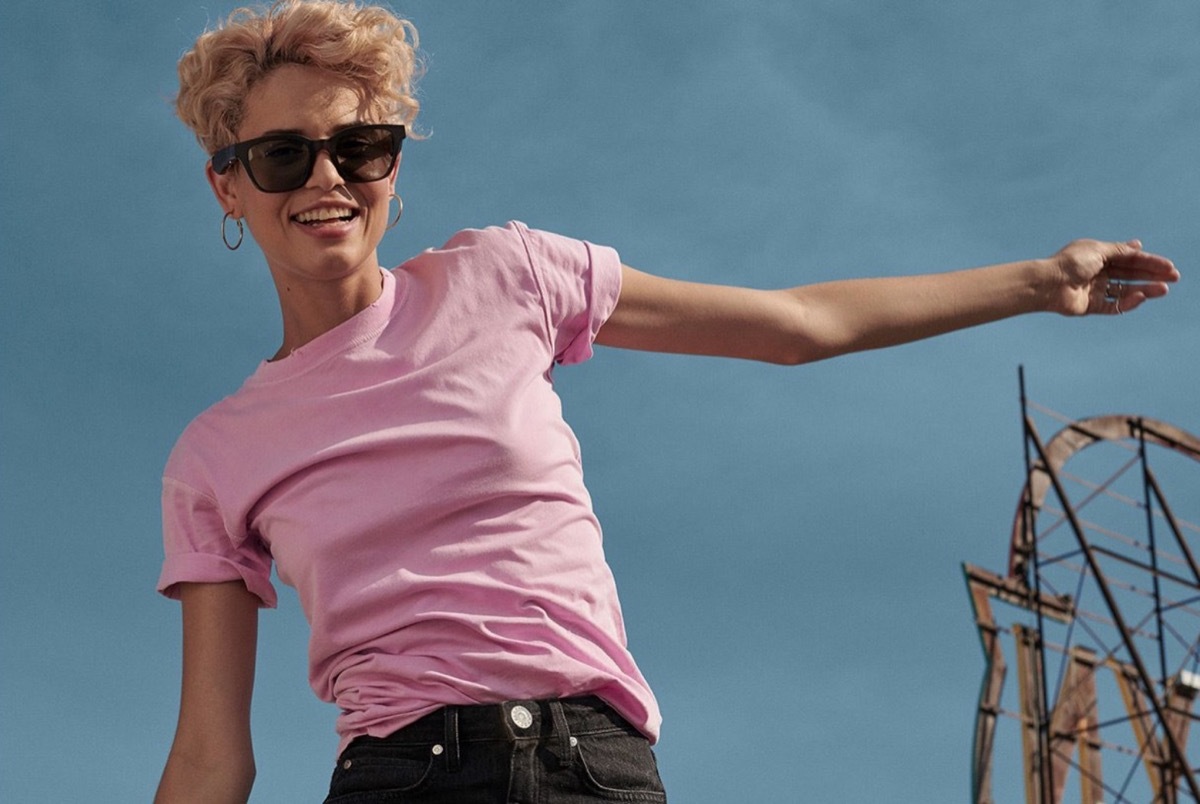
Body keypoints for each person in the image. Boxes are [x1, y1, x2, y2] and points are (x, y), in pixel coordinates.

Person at [153, 1, 1179, 802]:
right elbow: (210, 755)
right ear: (227, 186)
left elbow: (795, 325)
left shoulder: (507, 276)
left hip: (595, 768)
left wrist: (1041, 281)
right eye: (284, 154)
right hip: (399, 778)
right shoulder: (217, 458)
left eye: (360, 147)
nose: (327, 178)